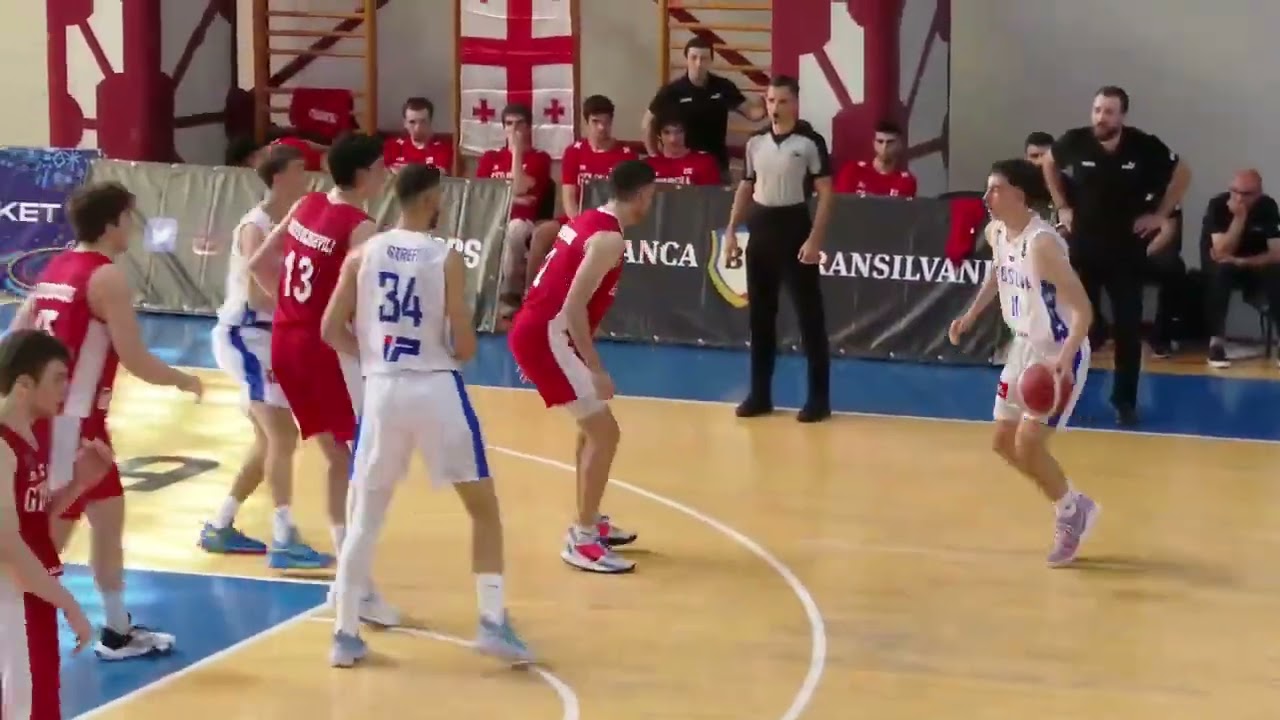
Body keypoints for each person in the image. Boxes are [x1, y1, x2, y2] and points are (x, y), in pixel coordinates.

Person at [320, 164, 533, 667]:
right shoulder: (444, 257)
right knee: (483, 509)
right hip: (435, 387)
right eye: (440, 198)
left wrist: (374, 358)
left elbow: (330, 328)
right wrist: (452, 350)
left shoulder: (362, 254)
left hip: (383, 391)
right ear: (428, 200)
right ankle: (492, 622)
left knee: (365, 517)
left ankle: (344, 635)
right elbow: (464, 343)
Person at [10, 181, 199, 660]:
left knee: (108, 517)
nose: (133, 226)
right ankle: (16, 629)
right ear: (113, 222)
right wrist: (182, 379)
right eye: (129, 217)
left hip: (68, 421)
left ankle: (117, 629)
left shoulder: (57, 265)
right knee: (49, 535)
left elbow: (16, 336)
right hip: (72, 425)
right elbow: (134, 356)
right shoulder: (106, 276)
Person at [246, 134, 396, 622]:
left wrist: (292, 309)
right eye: (382, 167)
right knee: (362, 461)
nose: (386, 175)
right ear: (365, 174)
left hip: (285, 340)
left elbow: (257, 263)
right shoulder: (361, 227)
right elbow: (370, 305)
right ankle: (356, 586)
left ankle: (349, 580)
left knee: (338, 455)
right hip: (323, 349)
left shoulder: (307, 204)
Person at [507, 160, 658, 574]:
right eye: (651, 195)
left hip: (540, 332)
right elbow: (573, 308)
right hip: (549, 335)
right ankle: (584, 537)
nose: (651, 203)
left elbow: (552, 283)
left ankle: (588, 519)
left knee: (591, 426)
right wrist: (595, 368)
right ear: (641, 196)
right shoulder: (609, 240)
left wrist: (530, 344)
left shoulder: (588, 219)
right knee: (605, 433)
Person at [949, 159, 1100, 567]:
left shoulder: (1043, 245)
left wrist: (1063, 361)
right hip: (1022, 348)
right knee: (1002, 442)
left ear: (1019, 194)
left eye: (995, 189)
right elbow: (998, 272)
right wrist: (970, 315)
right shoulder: (996, 231)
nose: (986, 197)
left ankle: (1069, 514)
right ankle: (1074, 504)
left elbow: (1084, 311)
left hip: (1058, 352)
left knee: (1028, 444)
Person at [202, 143, 328, 566]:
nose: (307, 177)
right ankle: (284, 536)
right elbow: (259, 293)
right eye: (299, 170)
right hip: (245, 335)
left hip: (269, 336)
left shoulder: (295, 222)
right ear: (278, 177)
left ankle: (220, 524)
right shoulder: (255, 225)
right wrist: (307, 311)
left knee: (267, 440)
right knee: (283, 436)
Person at [1042, 86, 1190, 426]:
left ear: (1122, 116)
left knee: (1127, 329)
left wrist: (1160, 214)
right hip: (1084, 248)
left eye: (1108, 112)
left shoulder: (1143, 146)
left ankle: (1124, 401)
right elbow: (1049, 162)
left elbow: (1183, 173)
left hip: (1125, 252)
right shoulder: (1076, 142)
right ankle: (1065, 395)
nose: (1101, 117)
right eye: (1097, 110)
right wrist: (1062, 205)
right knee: (1077, 326)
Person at [0, 330, 114, 720]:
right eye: (58, 378)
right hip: (13, 597)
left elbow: (31, 522)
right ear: (23, 385)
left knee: (40, 705)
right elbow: (8, 544)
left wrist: (79, 484)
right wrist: (69, 604)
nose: (66, 389)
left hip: (31, 593)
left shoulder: (26, 438)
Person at [724, 75, 834, 423]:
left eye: (782, 101)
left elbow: (826, 193)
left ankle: (818, 399)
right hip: (761, 228)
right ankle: (760, 395)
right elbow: (746, 186)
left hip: (794, 226)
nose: (775, 107)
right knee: (760, 317)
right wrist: (731, 231)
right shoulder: (755, 143)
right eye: (771, 101)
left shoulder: (810, 142)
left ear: (795, 104)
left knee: (809, 317)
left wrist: (815, 239)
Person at [525, 95, 638, 295]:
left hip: (611, 224)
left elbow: (628, 200)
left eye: (606, 122)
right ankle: (530, 292)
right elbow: (568, 196)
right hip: (577, 219)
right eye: (596, 122)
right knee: (541, 234)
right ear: (586, 123)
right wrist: (580, 226)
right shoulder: (574, 152)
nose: (601, 127)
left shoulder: (626, 155)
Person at [644, 36, 766, 179]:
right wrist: (654, 156)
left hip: (717, 163)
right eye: (694, 58)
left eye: (704, 58)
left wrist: (767, 102)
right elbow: (647, 123)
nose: (698, 63)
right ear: (686, 59)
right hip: (682, 166)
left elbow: (753, 113)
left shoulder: (723, 87)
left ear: (711, 61)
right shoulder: (672, 91)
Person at [1203, 169, 1280, 368]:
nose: (1238, 198)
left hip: (1253, 264)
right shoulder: (1218, 205)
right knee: (1223, 271)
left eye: (1246, 194)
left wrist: (1243, 262)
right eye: (1234, 191)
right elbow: (1222, 251)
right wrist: (1239, 218)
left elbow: (1276, 253)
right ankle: (1216, 343)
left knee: (1276, 272)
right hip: (1221, 266)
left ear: (1259, 193)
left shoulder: (1267, 207)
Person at [832, 120, 918, 198]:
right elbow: (841, 204)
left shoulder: (906, 181)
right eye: (880, 141)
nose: (884, 146)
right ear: (874, 143)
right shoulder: (853, 170)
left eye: (890, 142)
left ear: (900, 144)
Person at [646, 114, 722, 186]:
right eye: (666, 132)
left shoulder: (705, 162)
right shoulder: (648, 165)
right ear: (659, 135)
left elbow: (711, 194)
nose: (672, 139)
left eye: (679, 131)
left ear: (689, 132)